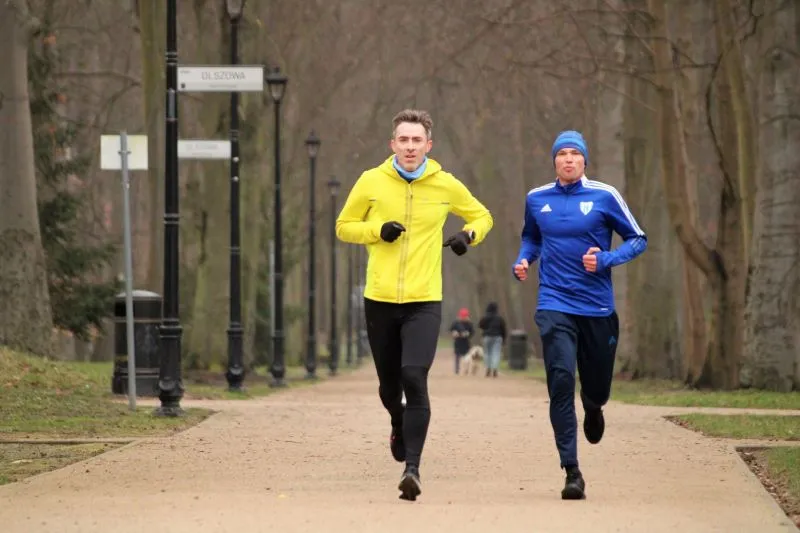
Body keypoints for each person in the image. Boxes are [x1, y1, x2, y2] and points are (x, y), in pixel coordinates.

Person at [335, 109, 493, 501]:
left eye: (416, 140)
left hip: (424, 299)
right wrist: (377, 230)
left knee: (413, 376)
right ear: (393, 144)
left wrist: (467, 236)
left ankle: (413, 469)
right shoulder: (371, 181)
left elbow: (482, 215)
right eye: (403, 140)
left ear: (428, 145)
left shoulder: (445, 184)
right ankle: (397, 420)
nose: (409, 147)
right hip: (380, 299)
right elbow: (343, 226)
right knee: (389, 388)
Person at [512, 130, 646, 501]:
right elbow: (531, 238)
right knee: (559, 380)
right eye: (562, 154)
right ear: (554, 160)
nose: (568, 159)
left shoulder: (605, 195)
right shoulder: (537, 198)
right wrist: (524, 260)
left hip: (597, 306)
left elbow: (638, 238)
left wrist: (606, 259)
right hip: (554, 301)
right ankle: (571, 470)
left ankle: (593, 405)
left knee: (597, 385)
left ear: (584, 160)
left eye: (574, 153)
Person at [478, 302, 507, 377]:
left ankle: (488, 368)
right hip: (497, 337)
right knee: (496, 353)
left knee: (487, 353)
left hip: (487, 337)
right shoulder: (500, 318)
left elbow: (480, 325)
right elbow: (503, 329)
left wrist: (485, 329)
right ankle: (495, 368)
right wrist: (504, 339)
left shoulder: (485, 317)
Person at [449, 308, 475, 374]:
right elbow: (451, 329)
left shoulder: (469, 323)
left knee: (466, 357)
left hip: (466, 342)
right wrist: (454, 333)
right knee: (457, 356)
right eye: (462, 316)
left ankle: (466, 369)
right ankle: (457, 370)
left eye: (465, 316)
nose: (463, 318)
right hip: (457, 342)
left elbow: (472, 332)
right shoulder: (455, 323)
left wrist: (467, 334)